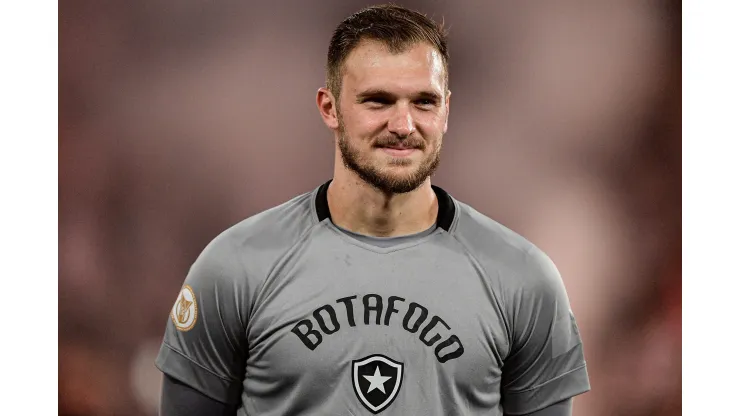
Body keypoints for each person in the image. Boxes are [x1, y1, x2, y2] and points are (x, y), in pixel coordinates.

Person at [155, 4, 590, 415]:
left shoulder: (522, 279)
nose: (403, 125)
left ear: (446, 109)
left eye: (424, 101)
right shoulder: (236, 267)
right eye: (378, 101)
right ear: (330, 108)